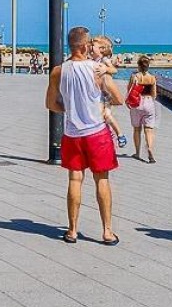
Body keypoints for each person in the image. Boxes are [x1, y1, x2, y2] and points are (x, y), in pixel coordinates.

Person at [45, 24, 124, 244]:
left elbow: (50, 103)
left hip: (72, 133)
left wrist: (70, 110)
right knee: (102, 180)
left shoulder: (58, 71)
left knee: (75, 179)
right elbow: (119, 99)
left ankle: (72, 230)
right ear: (84, 45)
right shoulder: (97, 69)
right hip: (97, 132)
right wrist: (102, 105)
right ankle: (107, 231)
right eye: (89, 43)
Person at [90, 36, 128, 152]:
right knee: (100, 117)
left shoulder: (104, 60)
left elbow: (114, 70)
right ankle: (107, 136)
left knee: (106, 115)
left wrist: (105, 69)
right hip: (96, 93)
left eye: (93, 46)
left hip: (105, 94)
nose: (90, 47)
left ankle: (120, 134)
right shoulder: (91, 60)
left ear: (101, 49)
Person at [127, 55, 160, 163]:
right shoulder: (152, 78)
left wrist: (128, 101)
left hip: (137, 103)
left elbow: (129, 89)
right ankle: (149, 149)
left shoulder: (135, 76)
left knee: (137, 129)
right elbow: (154, 94)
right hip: (149, 103)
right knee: (149, 130)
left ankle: (137, 153)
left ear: (138, 65)